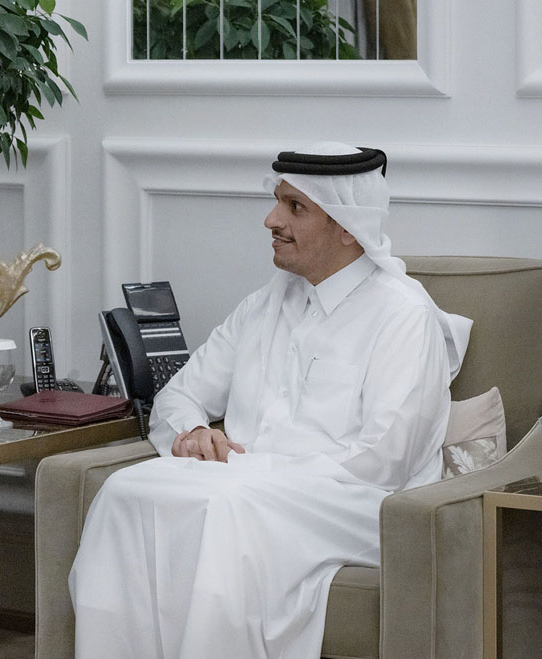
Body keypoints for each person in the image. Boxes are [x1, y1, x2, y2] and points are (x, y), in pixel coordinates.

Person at [68, 142, 472, 658]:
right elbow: (179, 397)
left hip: (359, 502)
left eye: (294, 207)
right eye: (278, 201)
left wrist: (255, 471)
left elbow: (385, 461)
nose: (271, 219)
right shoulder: (262, 306)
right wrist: (193, 435)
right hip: (248, 485)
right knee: (124, 492)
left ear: (348, 226)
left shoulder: (402, 315)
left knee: (222, 506)